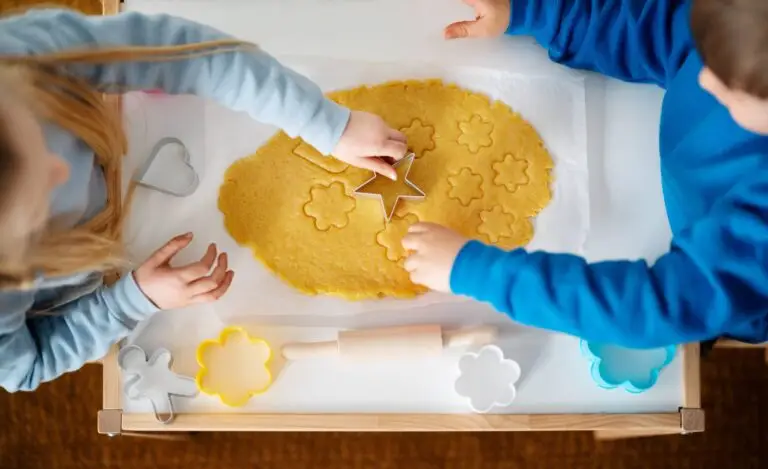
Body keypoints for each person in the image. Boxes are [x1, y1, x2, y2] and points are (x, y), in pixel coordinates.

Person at [0, 8, 407, 392]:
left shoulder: (27, 57)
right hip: (103, 282)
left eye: (39, 140)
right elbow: (30, 365)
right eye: (41, 208)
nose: (61, 171)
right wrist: (130, 301)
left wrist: (325, 123)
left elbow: (187, 55)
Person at [404, 0, 768, 349]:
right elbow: (661, 32)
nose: (703, 79)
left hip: (718, 284)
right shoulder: (744, 26)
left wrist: (473, 270)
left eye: (730, 86)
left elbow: (653, 307)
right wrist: (538, 12)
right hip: (688, 193)